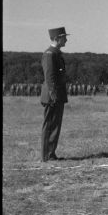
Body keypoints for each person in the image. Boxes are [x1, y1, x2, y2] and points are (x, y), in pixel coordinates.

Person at [40, 27, 69, 161]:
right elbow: (49, 77)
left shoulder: (56, 53)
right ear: (57, 38)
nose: (66, 40)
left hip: (57, 95)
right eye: (64, 37)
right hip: (53, 96)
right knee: (50, 125)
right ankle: (46, 155)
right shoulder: (49, 54)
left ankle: (51, 153)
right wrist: (53, 95)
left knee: (55, 125)